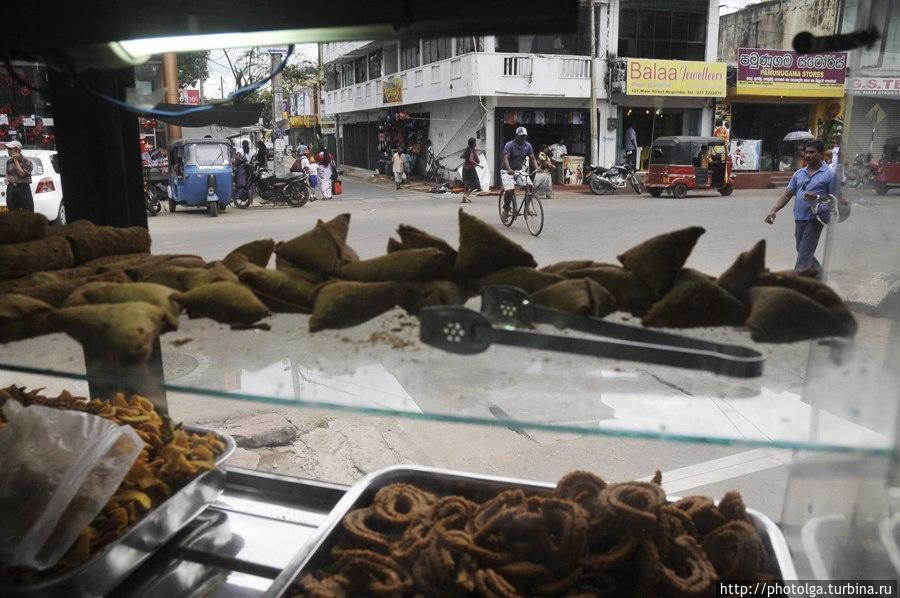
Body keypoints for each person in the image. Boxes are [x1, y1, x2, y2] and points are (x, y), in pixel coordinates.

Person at [765, 140, 839, 276]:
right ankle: (820, 276)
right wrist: (773, 210)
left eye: (812, 152)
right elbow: (787, 194)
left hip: (815, 218)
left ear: (821, 154)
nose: (808, 155)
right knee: (802, 250)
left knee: (804, 256)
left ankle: (795, 284)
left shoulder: (829, 174)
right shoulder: (799, 173)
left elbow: (835, 199)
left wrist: (816, 198)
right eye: (806, 152)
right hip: (799, 218)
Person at [501, 126, 539, 222]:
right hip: (507, 171)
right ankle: (506, 208)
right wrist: (509, 169)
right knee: (509, 190)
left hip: (518, 170)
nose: (523, 138)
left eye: (524, 136)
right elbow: (505, 158)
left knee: (530, 186)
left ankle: (527, 208)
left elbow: (532, 158)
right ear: (516, 135)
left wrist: (537, 168)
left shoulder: (528, 146)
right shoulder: (509, 145)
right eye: (521, 136)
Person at [4, 141, 34, 212]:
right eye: (8, 149)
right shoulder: (9, 161)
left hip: (23, 188)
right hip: (11, 188)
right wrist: (6, 178)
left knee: (27, 211)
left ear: (17, 150)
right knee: (12, 211)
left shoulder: (27, 161)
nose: (8, 151)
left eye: (10, 149)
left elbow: (22, 174)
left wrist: (16, 160)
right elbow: (8, 171)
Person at [460, 138, 481, 203]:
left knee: (467, 184)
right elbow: (471, 160)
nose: (476, 143)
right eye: (475, 142)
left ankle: (464, 199)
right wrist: (478, 165)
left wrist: (467, 155)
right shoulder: (472, 150)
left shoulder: (467, 149)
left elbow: (462, 156)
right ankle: (467, 195)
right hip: (470, 169)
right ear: (472, 143)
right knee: (475, 184)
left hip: (465, 168)